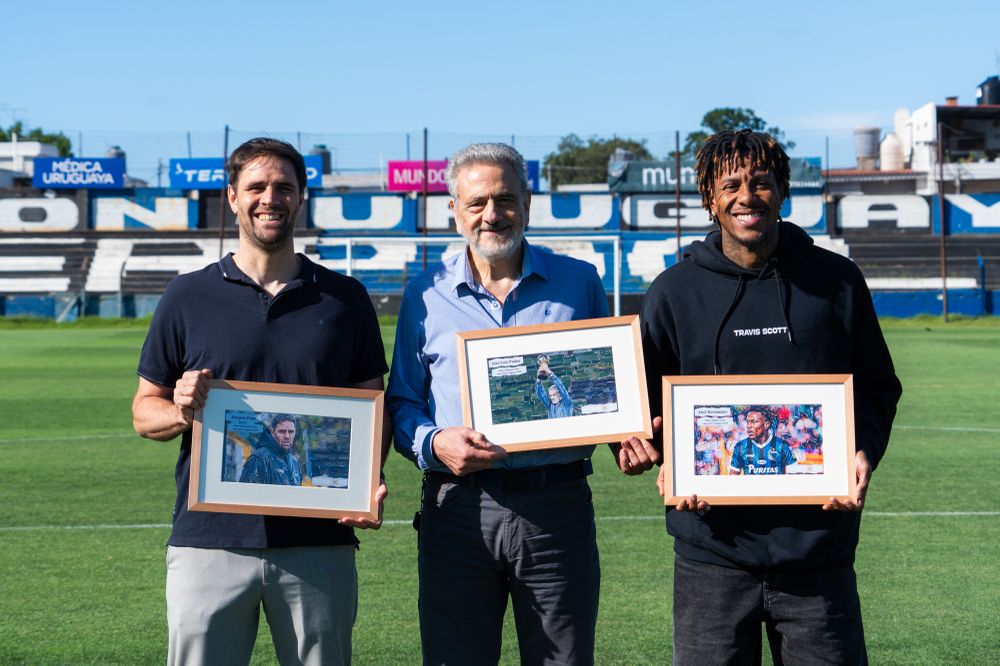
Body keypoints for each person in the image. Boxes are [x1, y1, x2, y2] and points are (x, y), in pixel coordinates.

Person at [386, 142, 659, 665]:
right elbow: (402, 402)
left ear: (527, 203)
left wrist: (624, 435)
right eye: (477, 202)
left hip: (557, 506)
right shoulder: (424, 294)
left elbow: (607, 387)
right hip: (458, 509)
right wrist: (434, 442)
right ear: (454, 210)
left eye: (505, 199)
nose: (492, 214)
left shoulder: (579, 282)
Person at [641, 129, 901, 664]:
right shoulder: (673, 290)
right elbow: (645, 404)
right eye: (730, 185)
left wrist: (863, 450)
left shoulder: (837, 281)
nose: (747, 196)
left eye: (761, 182)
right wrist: (664, 457)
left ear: (782, 190)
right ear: (709, 197)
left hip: (818, 553)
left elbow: (878, 386)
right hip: (711, 554)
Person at [131, 137, 390, 666]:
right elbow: (143, 410)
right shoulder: (186, 295)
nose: (270, 198)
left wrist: (366, 482)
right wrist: (181, 410)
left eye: (284, 187)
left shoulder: (346, 299)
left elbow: (372, 407)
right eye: (256, 187)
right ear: (232, 197)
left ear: (301, 197)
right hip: (209, 541)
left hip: (318, 541)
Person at [728, 408, 797, 475]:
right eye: (747, 422)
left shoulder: (783, 446)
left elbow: (795, 475)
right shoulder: (740, 447)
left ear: (766, 424)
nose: (748, 426)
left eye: (753, 422)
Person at [240, 414, 303, 486]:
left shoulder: (294, 462)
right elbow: (245, 491)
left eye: (291, 432)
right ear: (272, 432)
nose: (287, 436)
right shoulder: (259, 458)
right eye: (282, 431)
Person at [534, 354, 574, 419]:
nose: (552, 397)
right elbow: (541, 394)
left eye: (554, 394)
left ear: (560, 394)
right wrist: (538, 379)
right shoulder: (550, 405)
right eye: (550, 395)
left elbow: (561, 387)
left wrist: (550, 373)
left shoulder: (567, 403)